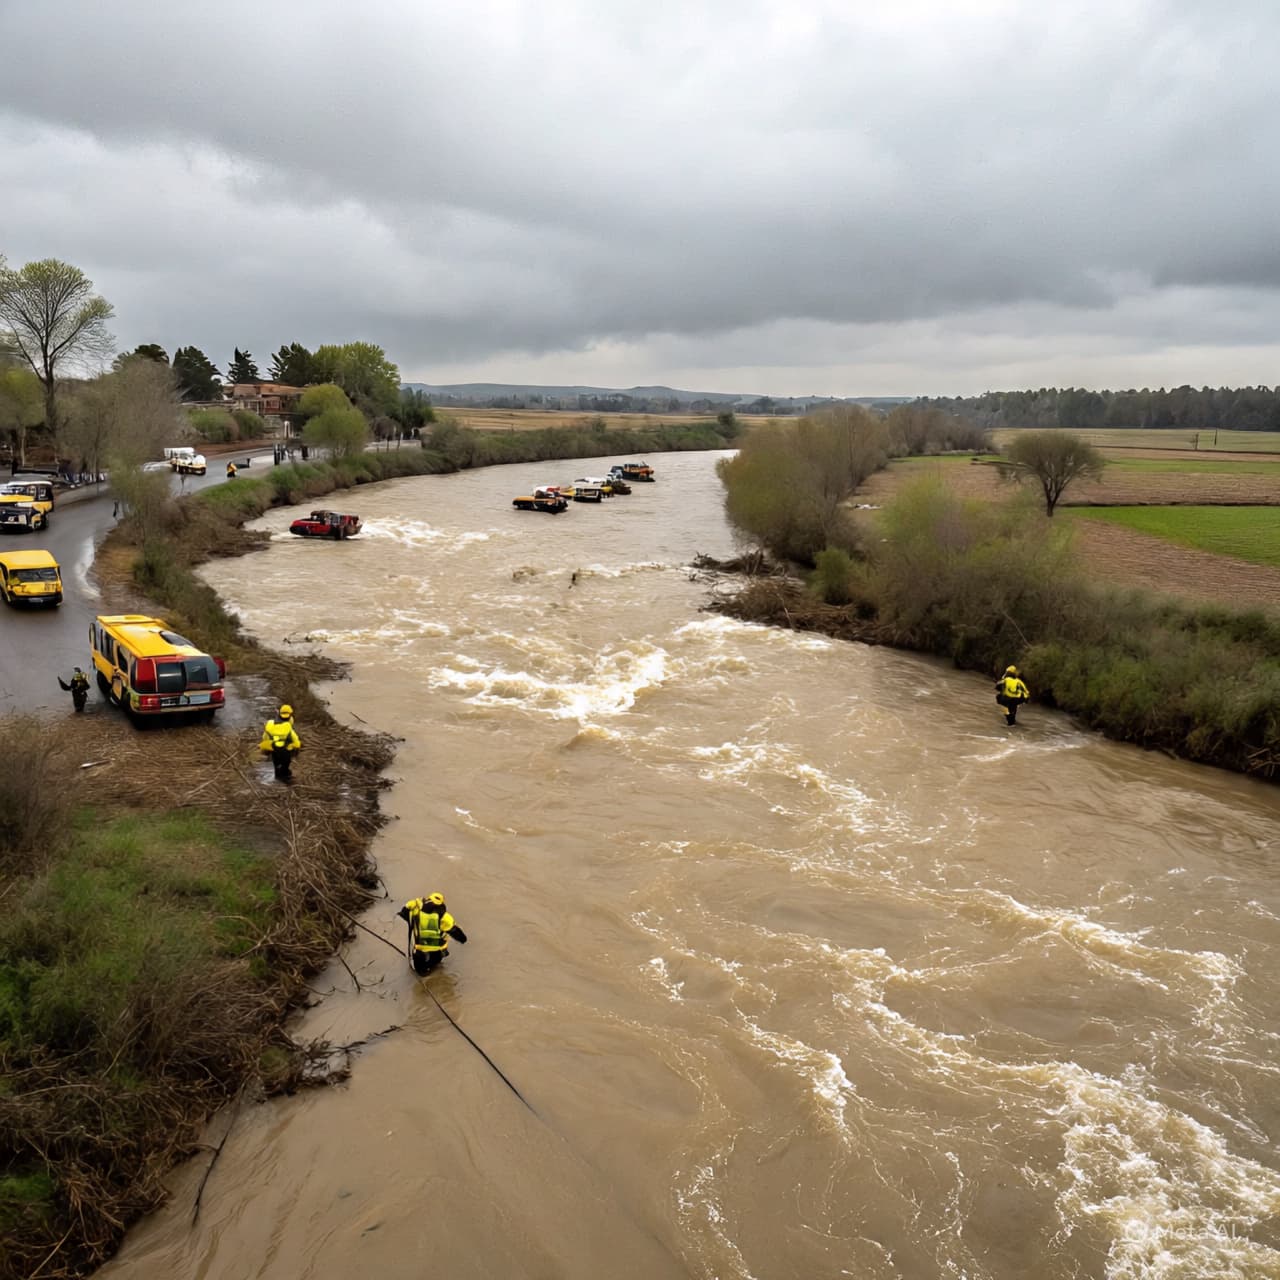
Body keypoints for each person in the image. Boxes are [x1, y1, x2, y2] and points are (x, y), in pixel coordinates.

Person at [397, 892, 468, 975]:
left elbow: (404, 913)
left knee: (420, 971)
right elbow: (455, 932)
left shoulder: (416, 907)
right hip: (436, 949)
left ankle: (422, 974)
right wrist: (464, 940)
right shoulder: (444, 916)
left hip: (419, 948)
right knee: (435, 965)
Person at [259, 704, 302, 780]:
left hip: (274, 747)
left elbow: (265, 737)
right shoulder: (288, 727)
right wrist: (297, 747)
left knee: (276, 762)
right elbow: (295, 739)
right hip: (286, 749)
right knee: (286, 762)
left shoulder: (270, 724)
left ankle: (277, 773)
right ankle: (285, 773)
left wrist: (265, 746)